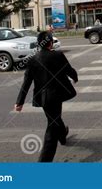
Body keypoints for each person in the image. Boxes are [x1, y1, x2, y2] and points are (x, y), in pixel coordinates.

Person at [14, 31, 78, 162]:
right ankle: (44, 161)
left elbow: (26, 82)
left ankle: (62, 134)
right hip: (56, 95)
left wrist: (19, 102)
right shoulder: (58, 55)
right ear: (50, 43)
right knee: (52, 125)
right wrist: (75, 77)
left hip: (42, 98)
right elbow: (69, 70)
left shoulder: (32, 59)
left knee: (53, 118)